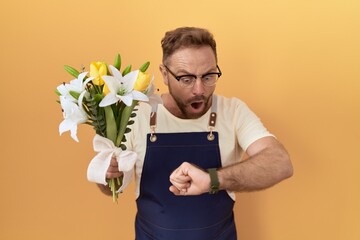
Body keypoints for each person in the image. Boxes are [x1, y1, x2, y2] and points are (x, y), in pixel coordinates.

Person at [97, 27, 293, 240]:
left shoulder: (233, 111)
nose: (199, 89)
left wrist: (213, 179)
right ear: (164, 74)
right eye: (186, 78)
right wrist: (106, 175)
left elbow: (280, 163)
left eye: (208, 76)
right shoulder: (137, 114)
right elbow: (111, 188)